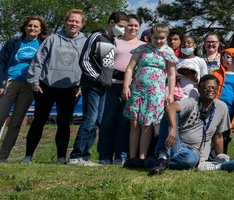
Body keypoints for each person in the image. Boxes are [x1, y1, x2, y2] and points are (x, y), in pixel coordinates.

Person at [0, 15, 49, 162]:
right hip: (9, 83)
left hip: (29, 86)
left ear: (41, 29)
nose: (32, 28)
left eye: (36, 26)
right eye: (30, 25)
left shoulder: (44, 44)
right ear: (24, 27)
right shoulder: (13, 43)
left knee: (16, 123)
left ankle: (3, 157)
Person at [23, 9, 87, 164]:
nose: (73, 24)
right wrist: (34, 82)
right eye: (71, 20)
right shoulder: (52, 39)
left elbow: (88, 65)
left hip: (71, 88)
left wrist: (83, 85)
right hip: (46, 86)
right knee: (39, 121)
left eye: (77, 21)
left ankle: (61, 157)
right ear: (65, 22)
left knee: (64, 123)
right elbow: (38, 61)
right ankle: (28, 156)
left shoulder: (86, 42)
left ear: (82, 24)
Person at [68, 11, 129, 166]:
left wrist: (128, 75)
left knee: (97, 122)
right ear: (111, 22)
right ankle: (76, 155)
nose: (123, 30)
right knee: (89, 120)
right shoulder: (96, 37)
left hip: (104, 88)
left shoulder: (113, 41)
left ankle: (85, 157)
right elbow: (85, 61)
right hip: (91, 86)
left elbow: (109, 68)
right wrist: (97, 79)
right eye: (121, 26)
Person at [147, 75, 231, 175]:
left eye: (213, 88)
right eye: (206, 87)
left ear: (218, 89)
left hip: (194, 153)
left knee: (189, 160)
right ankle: (162, 158)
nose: (210, 90)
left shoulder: (222, 107)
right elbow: (170, 107)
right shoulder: (192, 102)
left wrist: (219, 159)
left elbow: (218, 136)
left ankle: (152, 162)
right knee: (170, 114)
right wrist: (173, 127)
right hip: (177, 145)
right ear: (199, 89)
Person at [121, 23, 178, 167]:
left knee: (147, 124)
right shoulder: (141, 49)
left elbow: (171, 75)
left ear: (166, 38)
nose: (158, 41)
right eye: (155, 38)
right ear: (150, 37)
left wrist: (170, 93)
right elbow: (130, 68)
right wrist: (126, 86)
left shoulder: (168, 52)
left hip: (156, 93)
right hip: (137, 90)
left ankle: (142, 157)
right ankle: (131, 157)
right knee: (134, 123)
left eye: (162, 38)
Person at [98, 14, 144, 164]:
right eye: (129, 25)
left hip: (132, 89)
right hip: (111, 86)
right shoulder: (114, 41)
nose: (132, 28)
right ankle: (105, 156)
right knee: (107, 122)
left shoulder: (143, 46)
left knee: (124, 124)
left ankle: (121, 156)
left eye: (136, 25)